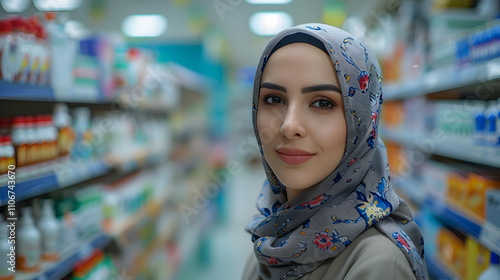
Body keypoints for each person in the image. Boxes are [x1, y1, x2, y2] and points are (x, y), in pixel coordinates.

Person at [242, 23, 428, 280]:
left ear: (363, 123)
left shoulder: (379, 264)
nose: (289, 126)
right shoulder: (270, 235)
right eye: (274, 99)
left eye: (322, 103)